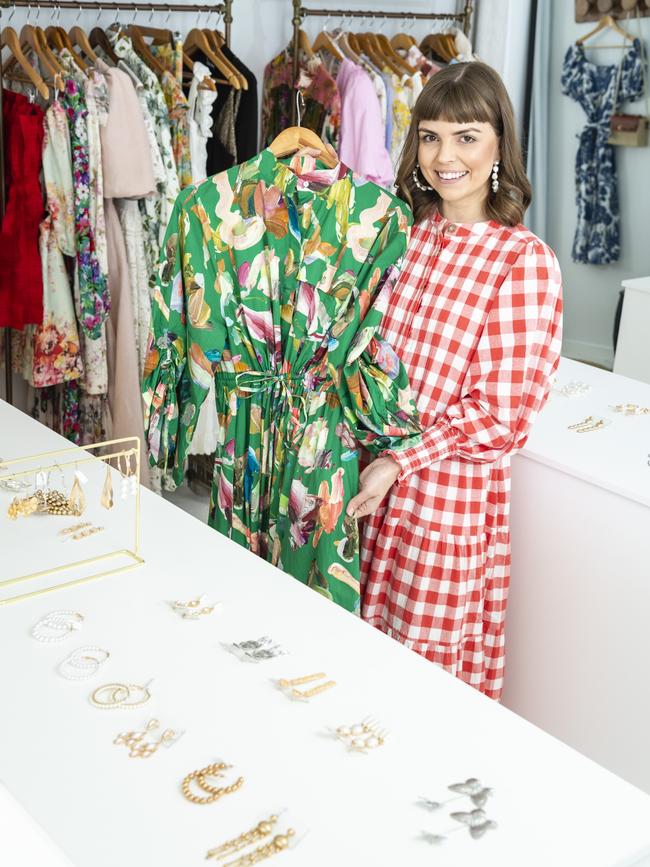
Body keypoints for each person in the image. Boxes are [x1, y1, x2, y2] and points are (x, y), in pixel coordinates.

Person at [347, 62, 563, 701]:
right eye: (431, 136)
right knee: (354, 675)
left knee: (422, 693)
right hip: (369, 490)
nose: (445, 156)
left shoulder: (522, 261)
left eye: (466, 136)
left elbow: (500, 416)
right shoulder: (404, 235)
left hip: (445, 505)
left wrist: (397, 461)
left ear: (500, 142)